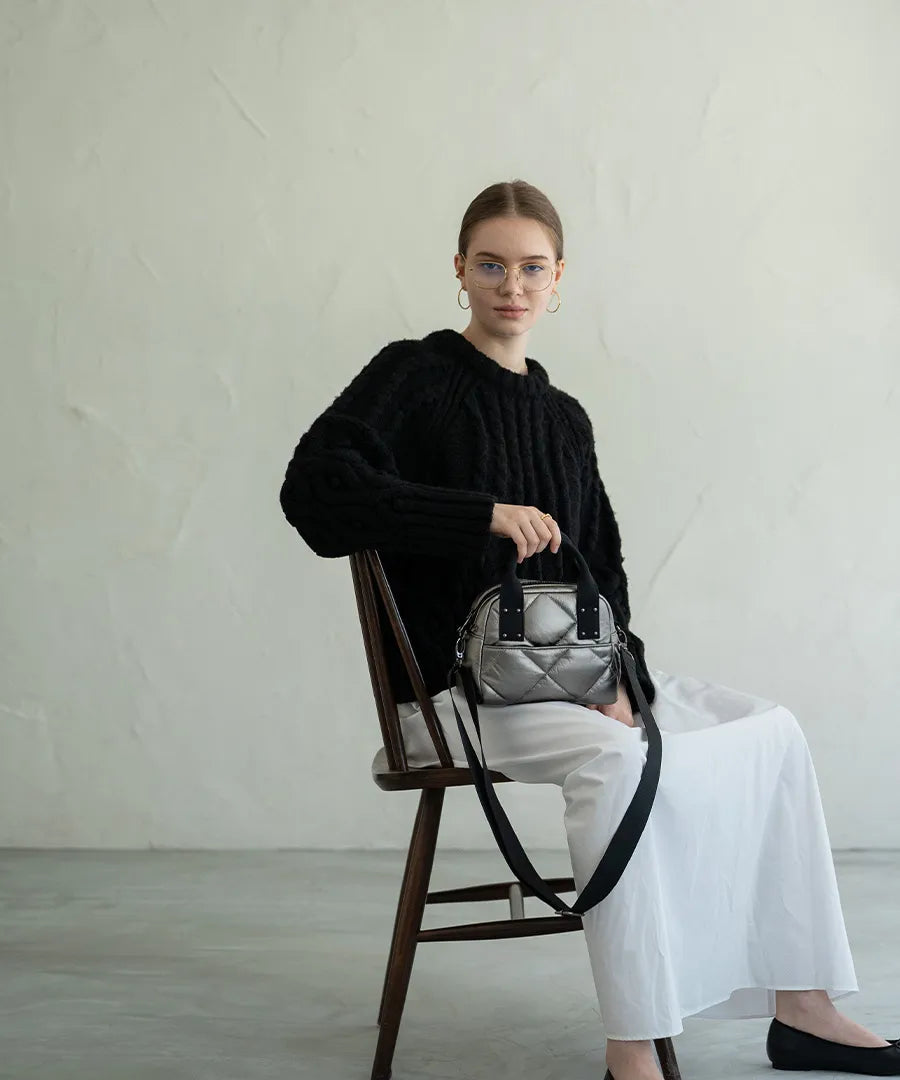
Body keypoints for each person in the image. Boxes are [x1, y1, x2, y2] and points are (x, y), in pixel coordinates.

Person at [279, 179, 900, 1079]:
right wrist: (477, 514)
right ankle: (633, 1051)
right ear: (459, 270)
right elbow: (315, 493)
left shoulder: (565, 417)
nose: (511, 285)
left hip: (573, 680)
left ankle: (803, 1008)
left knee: (769, 731)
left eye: (532, 267)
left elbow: (603, 576)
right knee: (615, 764)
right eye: (490, 264)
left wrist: (623, 686)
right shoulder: (413, 374)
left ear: (559, 277)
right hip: (458, 692)